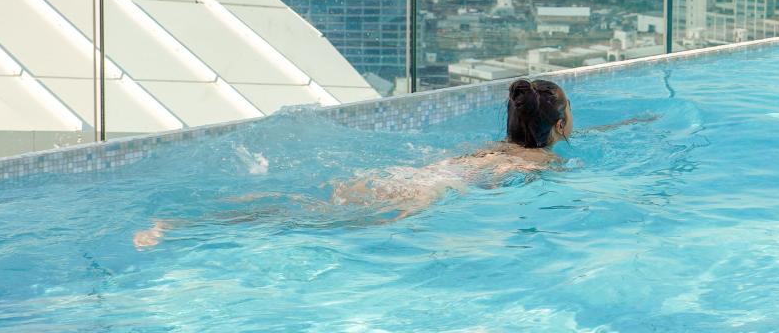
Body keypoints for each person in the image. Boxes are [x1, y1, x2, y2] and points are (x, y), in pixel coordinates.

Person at [133, 78, 652, 248]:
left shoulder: (496, 149)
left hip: (404, 177)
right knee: (301, 223)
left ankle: (184, 221)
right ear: (562, 127)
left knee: (295, 209)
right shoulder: (542, 168)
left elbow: (493, 165)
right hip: (419, 197)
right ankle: (183, 228)